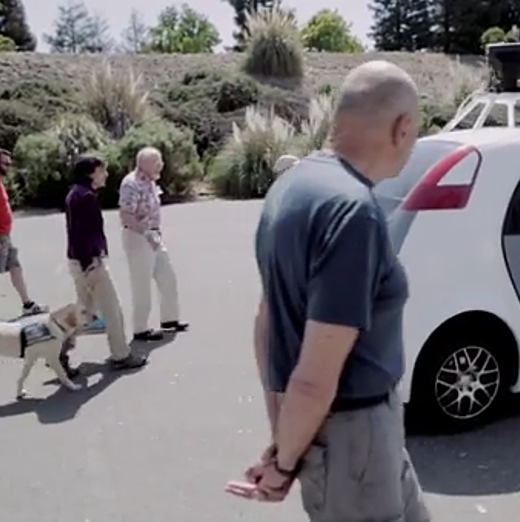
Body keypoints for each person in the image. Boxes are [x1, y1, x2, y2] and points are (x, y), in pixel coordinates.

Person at [225, 60, 431, 522]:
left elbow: (268, 325)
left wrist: (287, 437)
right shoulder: (353, 212)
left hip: (349, 434)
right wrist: (282, 463)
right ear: (403, 128)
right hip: (354, 441)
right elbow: (316, 377)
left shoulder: (292, 186)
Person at [64, 155, 147, 371]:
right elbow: (85, 234)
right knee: (111, 309)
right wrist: (91, 262)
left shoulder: (75, 194)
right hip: (89, 262)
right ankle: (121, 355)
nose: (106, 175)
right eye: (102, 170)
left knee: (83, 309)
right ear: (91, 173)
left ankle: (59, 347)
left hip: (78, 261)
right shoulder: (86, 197)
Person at [118, 146, 188, 341]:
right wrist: (145, 232)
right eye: (157, 161)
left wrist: (152, 233)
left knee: (167, 277)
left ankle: (169, 320)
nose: (162, 165)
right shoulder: (131, 184)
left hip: (153, 235)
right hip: (138, 237)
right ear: (146, 163)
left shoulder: (150, 182)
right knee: (141, 285)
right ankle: (140, 329)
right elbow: (126, 215)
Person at [0, 148, 47, 321]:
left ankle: (27, 304)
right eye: (5, 164)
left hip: (4, 235)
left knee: (15, 267)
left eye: (9, 164)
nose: (8, 167)